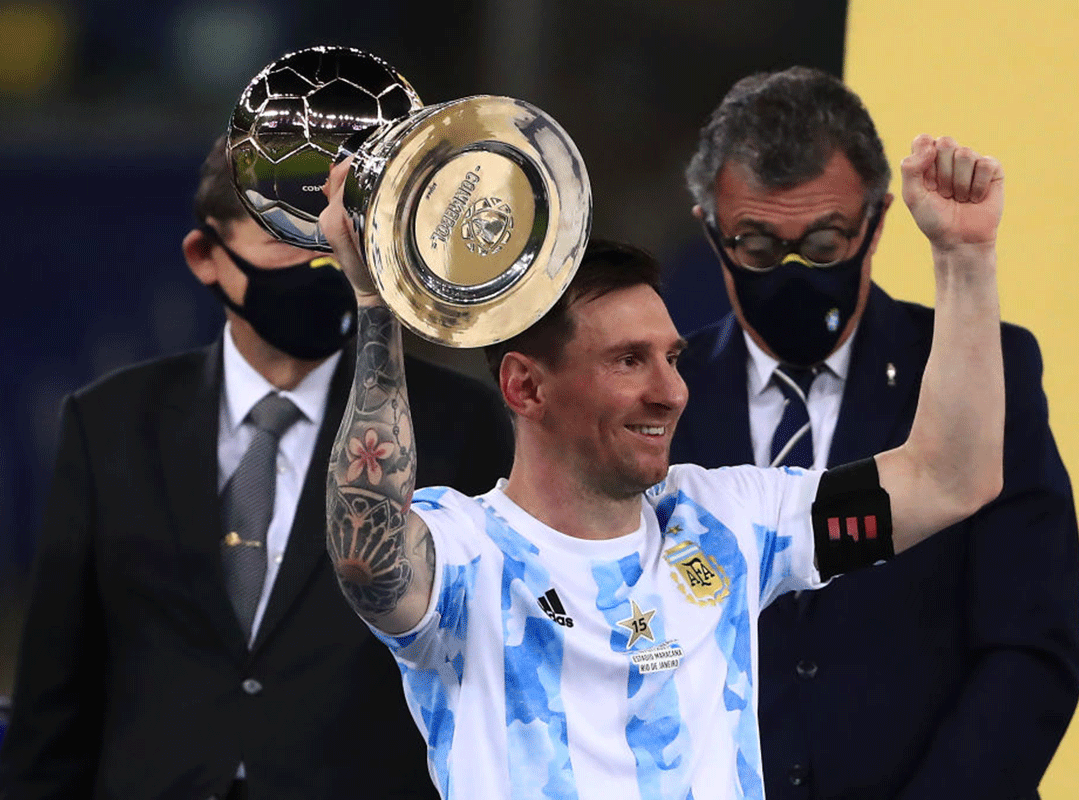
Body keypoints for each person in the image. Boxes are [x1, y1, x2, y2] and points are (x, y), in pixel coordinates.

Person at [316, 129, 1005, 799]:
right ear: (525, 386)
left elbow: (948, 479)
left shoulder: (728, 520)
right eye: (628, 361)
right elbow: (364, 552)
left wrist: (964, 256)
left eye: (672, 357)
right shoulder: (464, 553)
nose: (671, 392)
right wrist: (377, 306)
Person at [0, 136, 513, 800]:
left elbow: (497, 660)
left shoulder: (454, 422)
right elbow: (54, 696)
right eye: (284, 231)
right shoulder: (109, 424)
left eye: (331, 229)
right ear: (205, 256)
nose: (317, 256)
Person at [671, 66, 1079, 799]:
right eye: (759, 248)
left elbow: (1028, 648)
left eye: (824, 243)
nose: (794, 272)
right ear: (710, 228)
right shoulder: (657, 398)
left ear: (877, 221)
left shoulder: (983, 374)